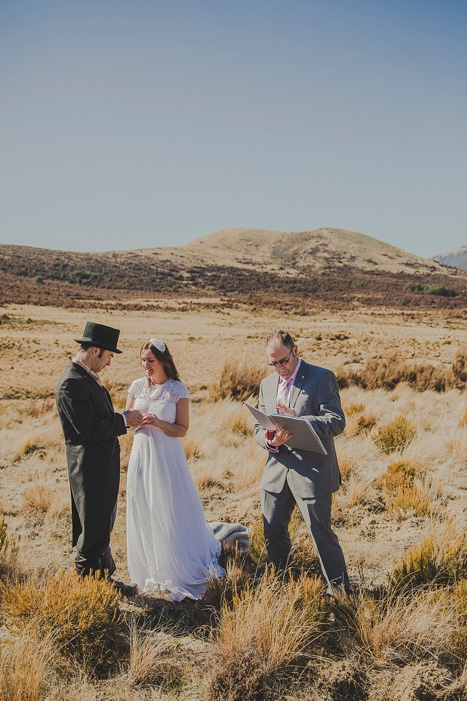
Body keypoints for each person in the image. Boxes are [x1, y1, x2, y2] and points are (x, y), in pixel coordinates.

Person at [125, 338, 225, 601]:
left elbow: (182, 429)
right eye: (143, 361)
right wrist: (133, 421)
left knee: (168, 507)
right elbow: (127, 423)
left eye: (151, 360)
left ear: (163, 361)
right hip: (141, 455)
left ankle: (175, 565)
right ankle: (150, 567)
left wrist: (158, 423)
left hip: (167, 458)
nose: (146, 366)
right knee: (144, 505)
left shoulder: (177, 390)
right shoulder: (136, 386)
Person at [254, 329, 350, 594]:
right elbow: (257, 428)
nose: (279, 368)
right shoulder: (266, 384)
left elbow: (337, 420)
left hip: (312, 471)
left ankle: (340, 593)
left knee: (321, 535)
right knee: (272, 531)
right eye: (272, 363)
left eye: (283, 361)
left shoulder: (321, 377)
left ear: (295, 350)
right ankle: (278, 586)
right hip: (276, 470)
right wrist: (269, 440)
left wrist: (302, 421)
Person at [56, 322, 143, 596]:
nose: (109, 363)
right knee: (92, 533)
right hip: (89, 471)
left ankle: (104, 582)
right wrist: (123, 420)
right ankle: (86, 596)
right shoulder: (72, 382)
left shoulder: (85, 378)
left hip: (102, 467)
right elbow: (90, 429)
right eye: (108, 356)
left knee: (102, 527)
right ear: (95, 350)